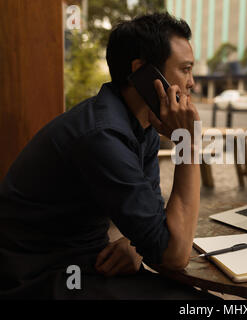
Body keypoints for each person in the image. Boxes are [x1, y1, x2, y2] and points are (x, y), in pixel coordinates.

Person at [0, 13, 217, 299]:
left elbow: (156, 227)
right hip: (43, 275)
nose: (191, 83)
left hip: (89, 260)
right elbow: (175, 254)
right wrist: (188, 143)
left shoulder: (142, 127)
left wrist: (135, 242)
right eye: (185, 69)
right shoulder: (102, 135)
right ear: (143, 72)